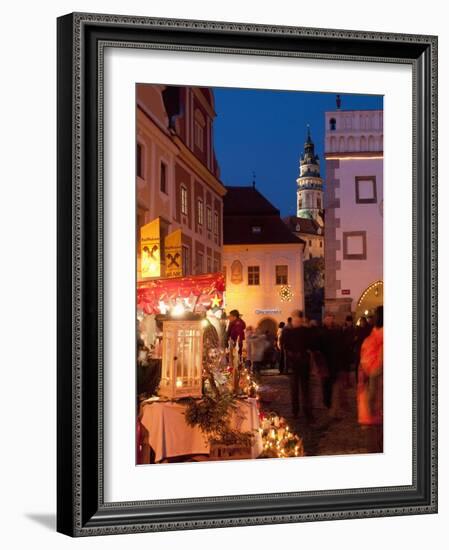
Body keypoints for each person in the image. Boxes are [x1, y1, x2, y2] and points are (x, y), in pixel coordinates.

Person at [282, 310, 312, 420]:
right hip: (294, 364)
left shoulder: (305, 331)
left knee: (305, 389)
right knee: (294, 390)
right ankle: (295, 411)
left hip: (303, 364)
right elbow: (285, 346)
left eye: (296, 318)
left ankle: (307, 411)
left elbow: (310, 344)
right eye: (293, 318)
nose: (295, 320)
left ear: (300, 319)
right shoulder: (288, 332)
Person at [357, 306, 383, 426]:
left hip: (376, 366)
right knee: (374, 393)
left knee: (374, 394)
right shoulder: (375, 332)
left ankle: (374, 414)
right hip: (374, 366)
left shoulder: (376, 333)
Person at [320, 313, 343, 412]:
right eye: (327, 319)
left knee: (333, 382)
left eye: (331, 319)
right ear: (324, 320)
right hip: (325, 361)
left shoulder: (336, 331)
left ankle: (334, 405)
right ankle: (327, 402)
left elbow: (340, 345)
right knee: (326, 383)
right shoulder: (322, 331)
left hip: (334, 360)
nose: (329, 321)